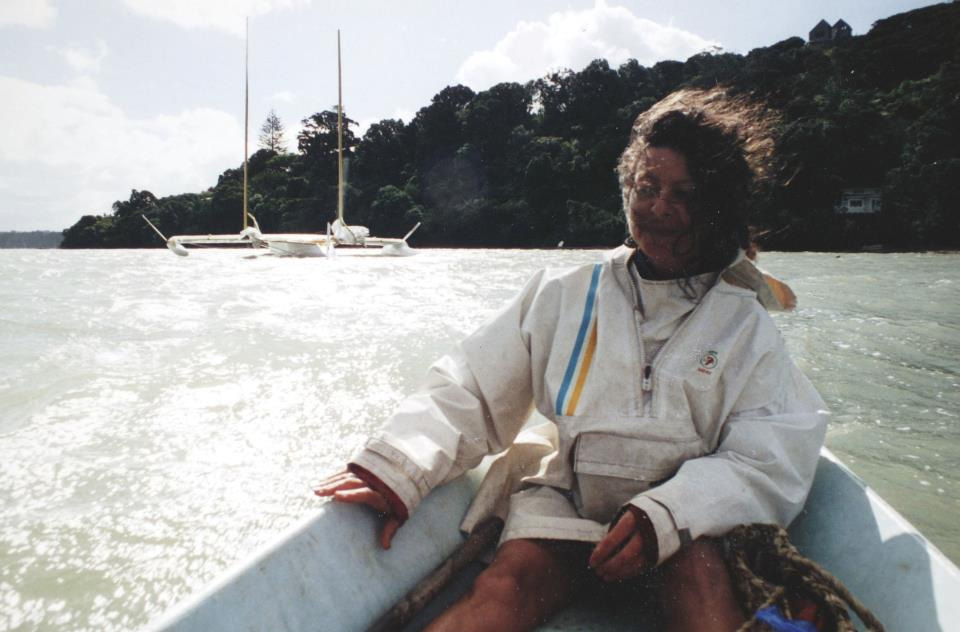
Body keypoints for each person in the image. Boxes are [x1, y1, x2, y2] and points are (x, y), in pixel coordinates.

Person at [315, 88, 827, 632]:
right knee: (503, 590)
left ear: (720, 205)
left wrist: (669, 514)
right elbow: (472, 389)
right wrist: (399, 467)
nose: (659, 208)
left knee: (703, 595)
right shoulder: (565, 294)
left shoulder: (745, 325)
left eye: (685, 194)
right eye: (647, 187)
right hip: (571, 500)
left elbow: (767, 458)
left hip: (690, 524)